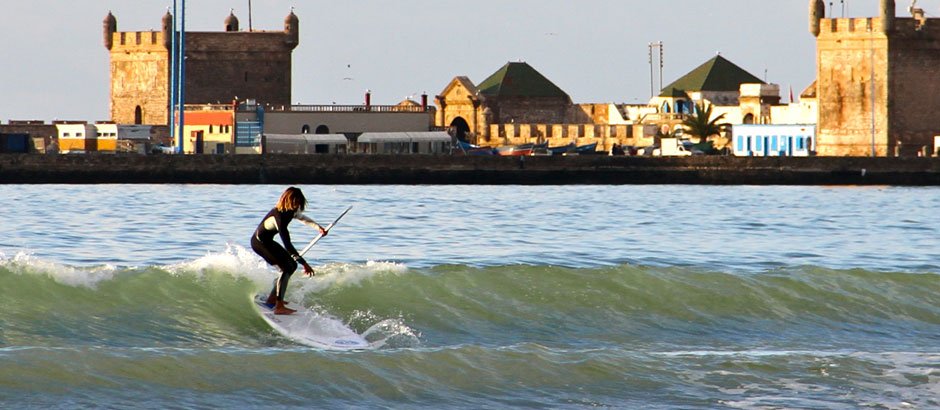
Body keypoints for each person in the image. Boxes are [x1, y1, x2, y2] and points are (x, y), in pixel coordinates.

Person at [251, 187, 327, 315]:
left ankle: (272, 298)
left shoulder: (290, 211)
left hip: (268, 241)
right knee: (286, 268)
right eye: (295, 202)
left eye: (299, 203)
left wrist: (318, 228)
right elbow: (287, 244)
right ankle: (279, 306)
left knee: (292, 266)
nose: (297, 206)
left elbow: (303, 218)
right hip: (259, 243)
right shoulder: (278, 216)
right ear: (288, 200)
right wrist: (304, 263)